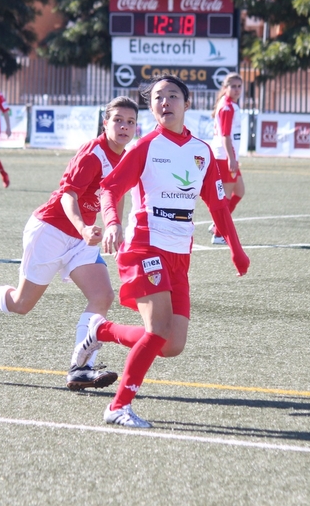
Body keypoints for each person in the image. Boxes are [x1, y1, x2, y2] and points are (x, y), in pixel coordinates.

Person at [71, 74, 250, 428]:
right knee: (156, 331)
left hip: (179, 255)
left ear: (187, 103)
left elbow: (217, 206)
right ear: (151, 107)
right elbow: (109, 189)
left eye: (172, 96)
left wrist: (236, 249)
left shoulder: (202, 152)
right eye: (157, 97)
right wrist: (112, 223)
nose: (165, 102)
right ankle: (118, 407)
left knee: (171, 344)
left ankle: (101, 331)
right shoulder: (145, 146)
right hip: (143, 246)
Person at [0, 97, 140, 391]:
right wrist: (85, 228)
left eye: (131, 122)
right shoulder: (92, 154)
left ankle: (81, 367)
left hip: (80, 239)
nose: (124, 126)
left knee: (103, 295)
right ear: (105, 122)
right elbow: (67, 196)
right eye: (118, 120)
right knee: (22, 304)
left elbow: (117, 193)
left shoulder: (125, 156)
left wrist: (115, 226)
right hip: (50, 231)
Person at [209, 72, 245, 244]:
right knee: (227, 196)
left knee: (240, 191)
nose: (237, 89)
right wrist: (231, 158)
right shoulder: (227, 107)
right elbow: (225, 136)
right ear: (226, 88)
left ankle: (217, 225)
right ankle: (218, 233)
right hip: (224, 156)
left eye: (239, 86)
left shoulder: (230, 105)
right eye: (233, 86)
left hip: (229, 155)